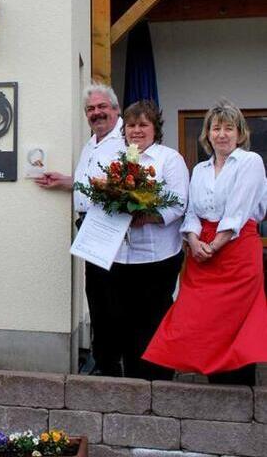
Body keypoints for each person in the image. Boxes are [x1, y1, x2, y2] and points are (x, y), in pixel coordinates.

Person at [144, 100, 267, 386]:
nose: (221, 134)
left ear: (240, 133)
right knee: (203, 320)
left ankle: (240, 389)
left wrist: (215, 245)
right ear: (207, 133)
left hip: (236, 250)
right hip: (202, 251)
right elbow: (191, 212)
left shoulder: (250, 162)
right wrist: (194, 239)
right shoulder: (199, 168)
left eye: (228, 128)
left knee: (234, 321)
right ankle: (213, 381)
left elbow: (238, 210)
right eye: (216, 128)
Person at [35, 82, 125, 376]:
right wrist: (65, 180)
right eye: (90, 109)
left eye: (102, 107)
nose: (96, 113)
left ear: (115, 109)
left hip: (112, 230)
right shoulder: (92, 142)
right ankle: (103, 358)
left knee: (112, 298)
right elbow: (92, 181)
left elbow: (118, 187)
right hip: (90, 227)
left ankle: (112, 363)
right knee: (96, 295)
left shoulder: (126, 141)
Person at [107, 101, 189, 380]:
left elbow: (178, 205)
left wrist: (148, 216)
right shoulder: (118, 160)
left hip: (158, 257)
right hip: (121, 256)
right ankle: (133, 381)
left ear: (155, 128)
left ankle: (159, 380)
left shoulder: (169, 159)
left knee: (154, 321)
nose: (137, 130)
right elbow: (104, 199)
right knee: (125, 321)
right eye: (131, 125)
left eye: (143, 125)